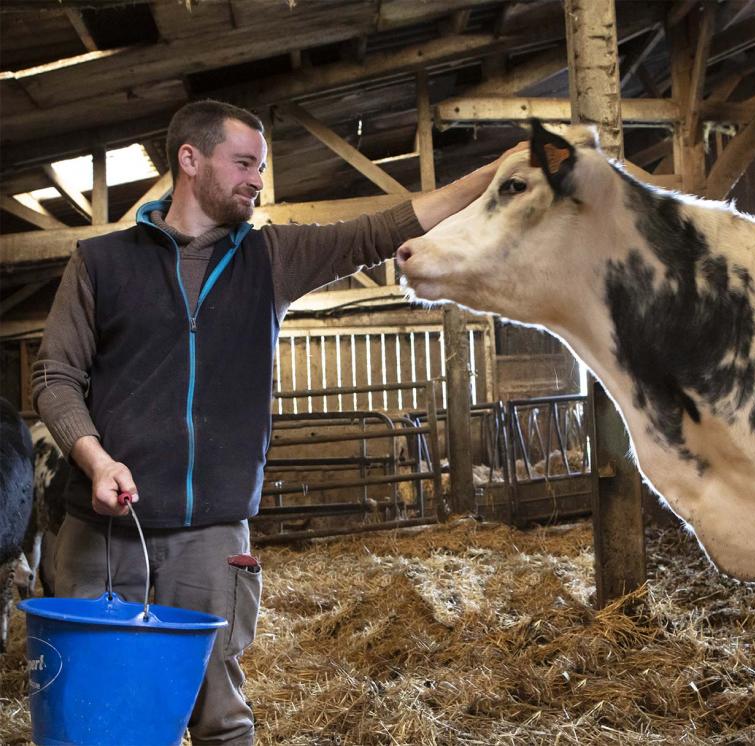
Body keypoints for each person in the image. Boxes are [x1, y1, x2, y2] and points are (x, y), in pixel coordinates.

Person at [32, 99, 519, 745]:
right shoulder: (100, 262)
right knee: (90, 714)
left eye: (259, 168)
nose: (257, 181)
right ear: (189, 159)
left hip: (209, 536)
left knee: (219, 718)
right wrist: (96, 460)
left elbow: (384, 227)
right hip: (100, 529)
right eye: (243, 164)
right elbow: (56, 376)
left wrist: (498, 170)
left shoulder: (273, 258)